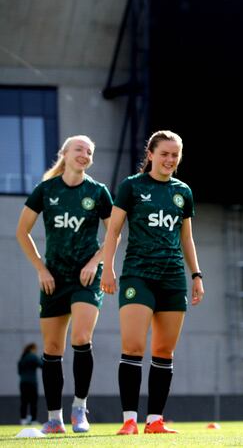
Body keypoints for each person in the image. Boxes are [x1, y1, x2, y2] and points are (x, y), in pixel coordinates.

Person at [100, 130, 204, 435]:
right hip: (138, 275)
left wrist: (196, 275)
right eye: (164, 154)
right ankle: (130, 420)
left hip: (173, 279)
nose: (170, 160)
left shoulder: (182, 191)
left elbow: (187, 237)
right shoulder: (131, 187)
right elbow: (113, 232)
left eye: (175, 155)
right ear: (151, 155)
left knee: (164, 351)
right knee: (133, 346)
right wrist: (107, 268)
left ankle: (155, 420)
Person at [16, 135, 113, 434]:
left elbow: (114, 235)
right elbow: (22, 232)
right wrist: (41, 269)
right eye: (79, 149)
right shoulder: (45, 190)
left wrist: (94, 262)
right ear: (65, 154)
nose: (85, 154)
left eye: (90, 151)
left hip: (85, 277)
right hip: (53, 278)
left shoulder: (98, 192)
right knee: (52, 348)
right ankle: (55, 418)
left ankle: (80, 409)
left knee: (81, 338)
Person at [18, 343, 43, 425]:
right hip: (32, 383)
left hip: (23, 383)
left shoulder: (22, 358)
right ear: (32, 349)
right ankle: (33, 419)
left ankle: (23, 419)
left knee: (24, 401)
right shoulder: (33, 357)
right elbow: (42, 365)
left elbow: (19, 371)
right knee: (33, 402)